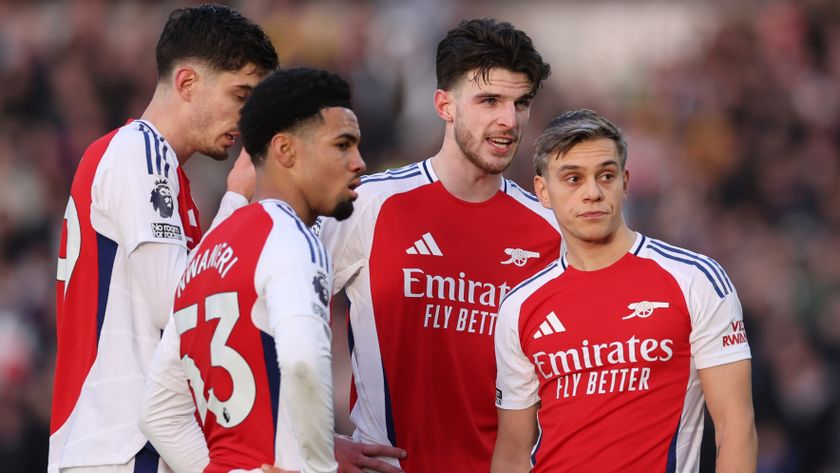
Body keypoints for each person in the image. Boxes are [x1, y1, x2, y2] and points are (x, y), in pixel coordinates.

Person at [316, 17, 561, 472]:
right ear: (444, 105)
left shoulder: (552, 231)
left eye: (520, 103)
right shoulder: (370, 204)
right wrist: (317, 440)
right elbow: (266, 313)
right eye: (489, 100)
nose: (508, 120)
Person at [50, 5, 278, 472]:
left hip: (113, 444)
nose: (249, 118)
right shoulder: (142, 150)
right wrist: (237, 201)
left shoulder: (165, 174)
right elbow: (181, 305)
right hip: (124, 447)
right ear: (187, 83)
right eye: (241, 95)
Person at [491, 109, 758, 472]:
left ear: (625, 182)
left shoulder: (695, 280)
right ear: (543, 191)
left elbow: (735, 426)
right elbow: (512, 452)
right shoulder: (519, 306)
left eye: (606, 175)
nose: (592, 193)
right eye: (572, 178)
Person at [139, 67, 366, 473]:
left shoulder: (207, 253)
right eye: (342, 145)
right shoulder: (291, 239)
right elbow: (302, 361)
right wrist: (320, 466)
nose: (359, 163)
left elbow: (159, 413)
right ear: (286, 151)